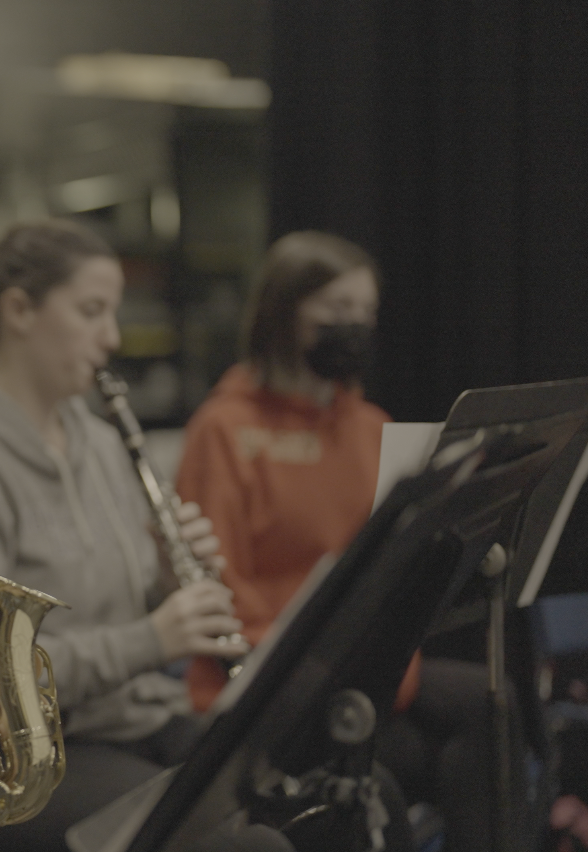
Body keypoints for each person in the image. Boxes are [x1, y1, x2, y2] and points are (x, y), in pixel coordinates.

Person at [0, 220, 251, 852]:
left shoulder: (101, 442)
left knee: (302, 790)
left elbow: (114, 604)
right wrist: (154, 637)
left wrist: (167, 585)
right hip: (16, 755)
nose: (111, 338)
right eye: (91, 311)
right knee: (222, 839)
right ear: (19, 310)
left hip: (130, 720)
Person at [173, 230, 494, 850]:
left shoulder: (373, 426)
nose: (356, 326)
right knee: (386, 773)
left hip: (364, 670)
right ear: (282, 311)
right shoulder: (224, 429)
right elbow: (214, 592)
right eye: (337, 310)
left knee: (493, 706)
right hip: (276, 682)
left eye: (365, 313)